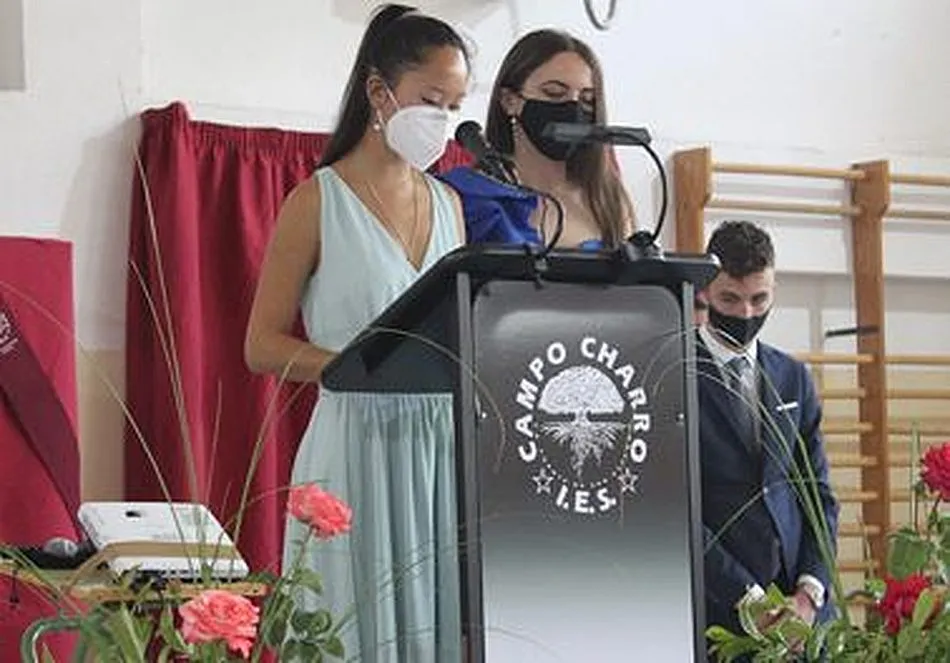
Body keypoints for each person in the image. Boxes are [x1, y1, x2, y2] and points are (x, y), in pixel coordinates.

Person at [244, 5, 470, 661]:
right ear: (379, 91)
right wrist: (359, 363)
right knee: (351, 628)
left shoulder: (451, 204)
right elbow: (261, 345)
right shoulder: (317, 201)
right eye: (431, 100)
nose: (442, 121)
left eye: (454, 107)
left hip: (438, 448)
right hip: (354, 442)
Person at [695, 221, 838, 652]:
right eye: (730, 299)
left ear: (774, 289)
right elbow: (676, 513)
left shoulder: (793, 377)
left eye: (759, 299)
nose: (745, 314)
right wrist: (749, 599)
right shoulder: (673, 376)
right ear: (705, 291)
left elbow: (818, 494)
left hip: (802, 617)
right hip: (719, 613)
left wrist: (810, 593)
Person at [441, 29, 635, 250]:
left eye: (587, 100)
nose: (572, 109)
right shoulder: (468, 195)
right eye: (554, 93)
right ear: (509, 101)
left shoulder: (607, 197)